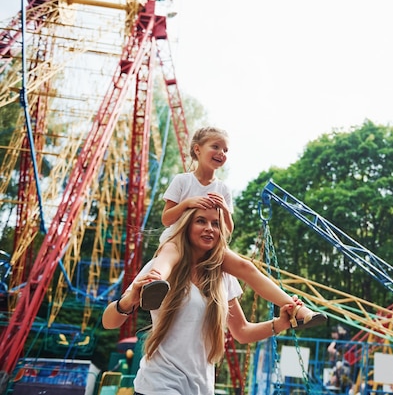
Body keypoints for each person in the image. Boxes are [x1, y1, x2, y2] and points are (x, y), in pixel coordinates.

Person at [142, 126, 326, 330]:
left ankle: (297, 309)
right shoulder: (182, 181)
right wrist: (187, 204)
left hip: (209, 246)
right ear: (197, 149)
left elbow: (228, 230)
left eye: (226, 150)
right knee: (167, 255)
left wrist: (223, 208)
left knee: (247, 267)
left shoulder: (222, 189)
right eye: (216, 147)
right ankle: (153, 285)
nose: (221, 153)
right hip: (178, 240)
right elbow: (167, 219)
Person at [102, 206, 300, 395]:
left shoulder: (223, 276)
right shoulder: (160, 268)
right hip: (159, 384)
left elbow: (242, 331)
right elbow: (108, 321)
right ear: (187, 226)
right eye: (200, 221)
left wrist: (280, 324)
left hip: (201, 388)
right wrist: (127, 302)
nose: (209, 228)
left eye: (215, 223)